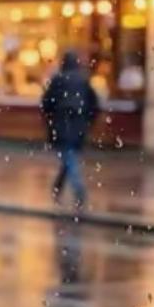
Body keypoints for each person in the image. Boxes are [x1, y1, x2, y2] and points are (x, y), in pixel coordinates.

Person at [40, 50, 100, 210]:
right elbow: (94, 104)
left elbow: (46, 103)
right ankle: (57, 187)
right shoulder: (83, 80)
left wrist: (50, 121)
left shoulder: (58, 80)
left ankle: (78, 190)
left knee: (69, 157)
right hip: (79, 126)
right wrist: (88, 121)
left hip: (62, 124)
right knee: (69, 156)